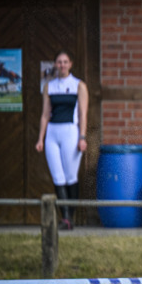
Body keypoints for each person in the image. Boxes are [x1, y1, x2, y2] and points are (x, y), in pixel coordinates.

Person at [35, 51, 88, 230]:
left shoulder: (78, 85)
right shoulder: (49, 86)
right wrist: (40, 138)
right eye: (59, 62)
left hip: (70, 132)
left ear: (70, 64)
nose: (62, 65)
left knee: (70, 176)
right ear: (55, 64)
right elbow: (44, 114)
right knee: (58, 177)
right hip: (52, 132)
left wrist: (82, 136)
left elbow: (82, 113)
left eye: (65, 62)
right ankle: (64, 217)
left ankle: (70, 216)